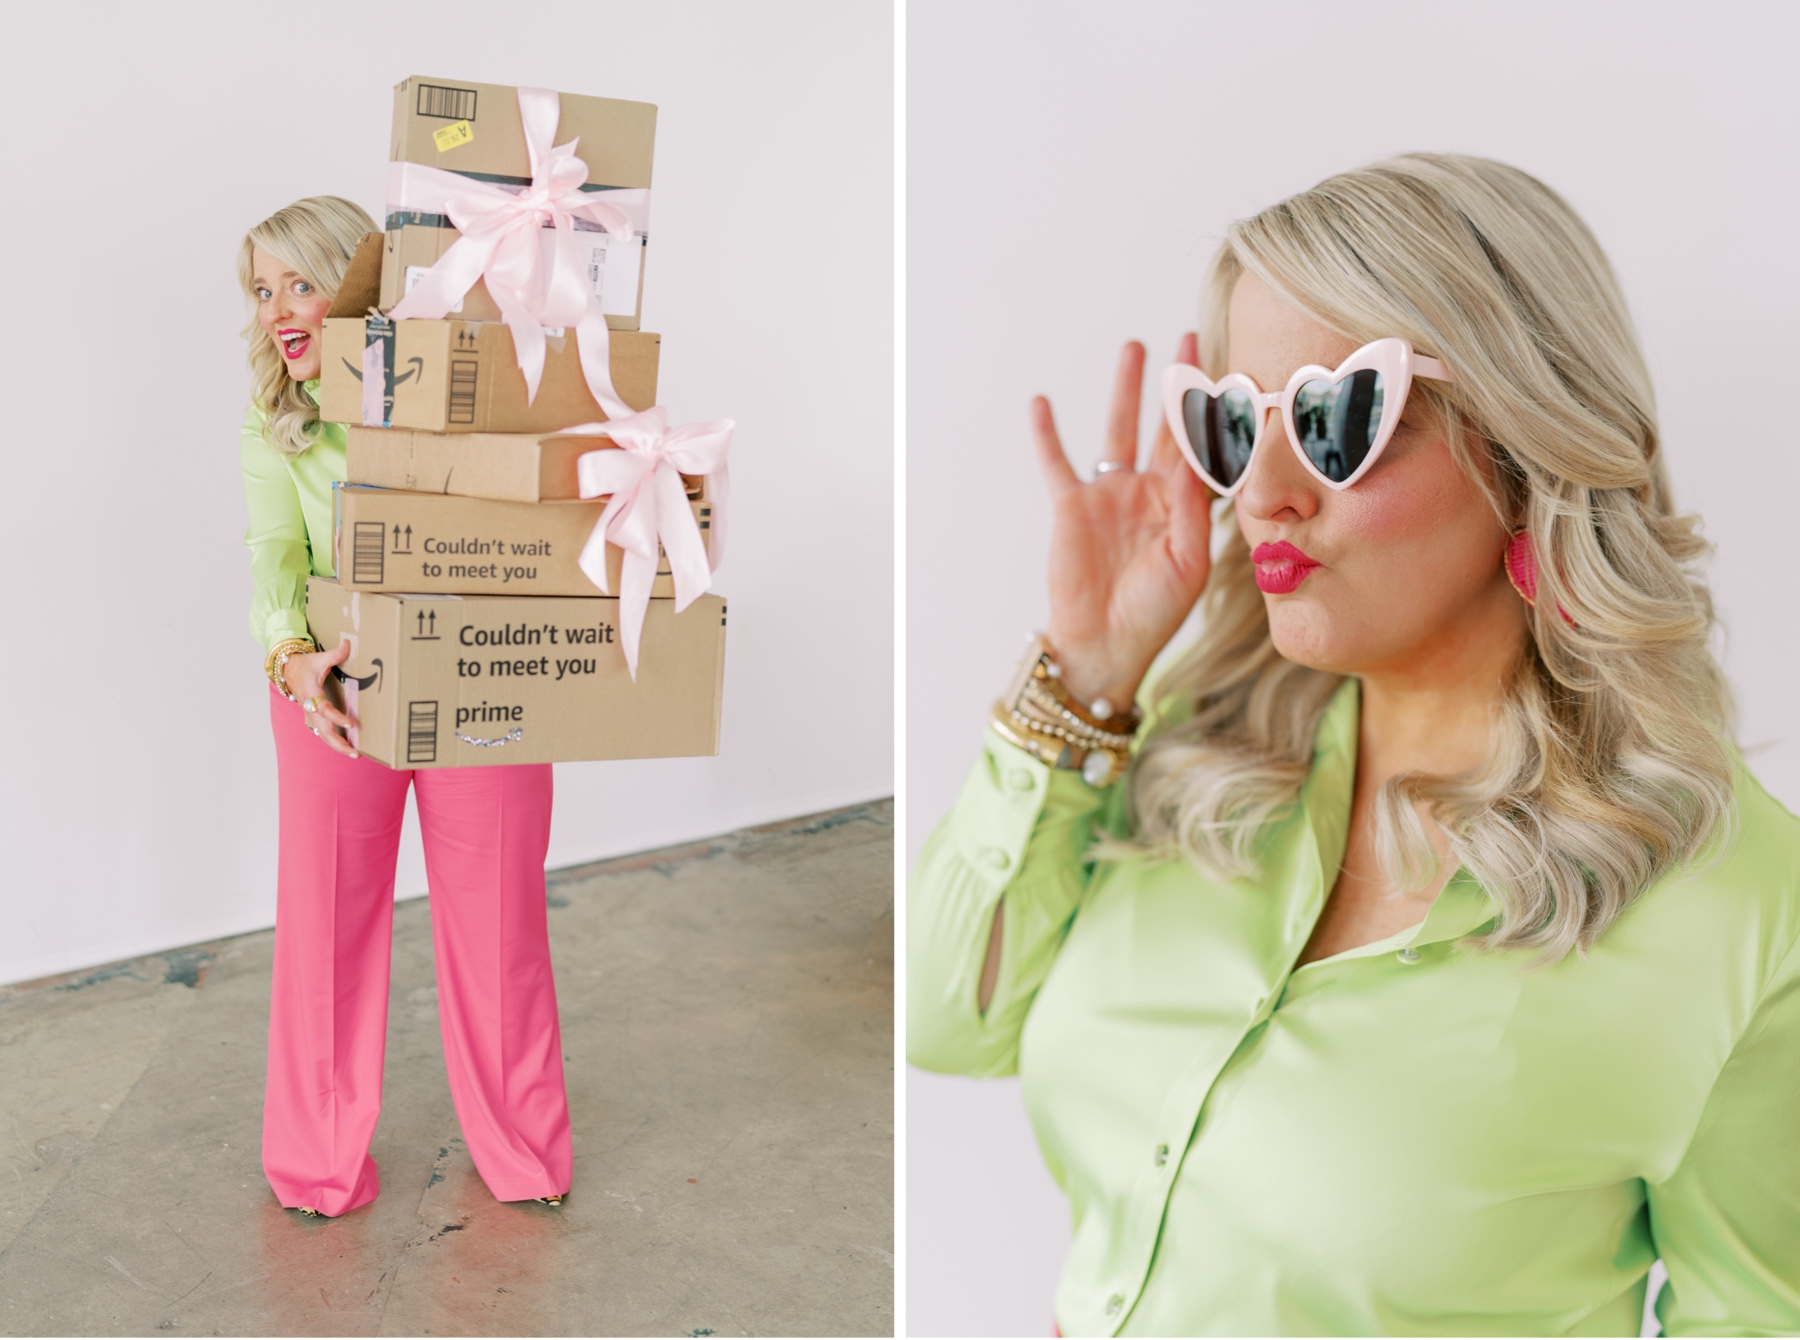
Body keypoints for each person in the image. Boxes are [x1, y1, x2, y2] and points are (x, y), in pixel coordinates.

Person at [907, 154, 1800, 1336]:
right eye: (1235, 422)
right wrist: (1089, 675)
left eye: (1335, 419)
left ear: (1529, 444)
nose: (1263, 490)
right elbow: (946, 1019)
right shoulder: (1200, 748)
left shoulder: (1740, 909)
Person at [240, 197, 570, 1219]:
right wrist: (295, 661)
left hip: (480, 677)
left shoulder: (464, 382)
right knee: (326, 927)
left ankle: (524, 1149)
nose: (278, 311)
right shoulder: (278, 424)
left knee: (500, 918)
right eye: (260, 290)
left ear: (364, 280)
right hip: (336, 693)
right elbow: (275, 562)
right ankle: (316, 1162)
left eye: (300, 281)